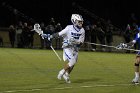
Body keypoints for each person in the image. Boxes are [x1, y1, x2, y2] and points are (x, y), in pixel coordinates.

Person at [42, 14, 85, 83]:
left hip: (75, 49)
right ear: (74, 21)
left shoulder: (82, 30)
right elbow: (58, 34)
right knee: (72, 61)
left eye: (81, 21)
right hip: (67, 47)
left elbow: (81, 43)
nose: (80, 23)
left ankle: (66, 74)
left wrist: (76, 42)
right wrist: (50, 36)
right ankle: (61, 72)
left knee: (73, 64)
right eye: (79, 21)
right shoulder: (69, 28)